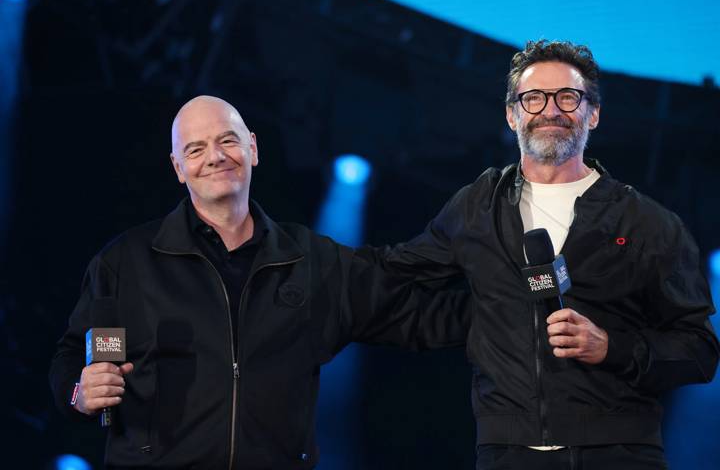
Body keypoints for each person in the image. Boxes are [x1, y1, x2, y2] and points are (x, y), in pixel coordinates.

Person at [49, 96, 469, 469]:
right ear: (179, 168)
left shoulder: (312, 260)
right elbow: (73, 356)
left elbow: (419, 318)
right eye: (195, 149)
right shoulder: (128, 260)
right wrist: (79, 394)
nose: (215, 156)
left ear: (252, 147)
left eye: (227, 140)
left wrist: (523, 307)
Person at [380, 40, 719, 469]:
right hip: (508, 454)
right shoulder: (476, 207)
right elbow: (394, 272)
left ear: (592, 114)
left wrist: (612, 347)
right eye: (534, 97)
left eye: (568, 97)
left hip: (619, 454)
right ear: (512, 114)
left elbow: (700, 351)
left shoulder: (648, 223)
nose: (551, 110)